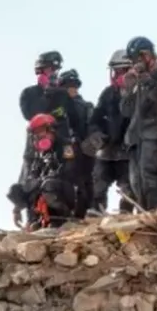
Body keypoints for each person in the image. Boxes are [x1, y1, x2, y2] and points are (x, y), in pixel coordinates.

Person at [121, 37, 157, 211]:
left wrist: (146, 80)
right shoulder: (137, 81)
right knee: (136, 181)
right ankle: (143, 214)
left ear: (147, 55)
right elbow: (126, 110)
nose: (136, 64)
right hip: (134, 138)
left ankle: (156, 213)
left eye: (138, 59)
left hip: (154, 134)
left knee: (151, 178)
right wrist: (129, 88)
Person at [18, 51, 81, 182]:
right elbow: (29, 114)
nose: (53, 73)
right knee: (27, 177)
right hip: (38, 142)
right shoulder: (29, 93)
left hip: (63, 142)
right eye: (49, 69)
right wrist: (47, 94)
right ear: (40, 70)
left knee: (72, 169)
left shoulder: (63, 95)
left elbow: (76, 119)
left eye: (55, 70)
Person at [8, 114, 77, 229]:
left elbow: (70, 171)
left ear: (51, 130)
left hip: (64, 190)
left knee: (48, 184)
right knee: (18, 189)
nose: (38, 136)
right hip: (44, 187)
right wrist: (17, 208)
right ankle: (34, 221)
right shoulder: (38, 155)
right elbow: (29, 178)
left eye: (40, 131)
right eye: (35, 133)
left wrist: (53, 171)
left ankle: (62, 219)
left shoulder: (66, 146)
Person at [86, 50, 134, 213]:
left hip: (129, 153)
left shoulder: (141, 94)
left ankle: (125, 215)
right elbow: (95, 119)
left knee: (129, 188)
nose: (119, 75)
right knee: (97, 185)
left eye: (123, 71)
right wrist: (96, 134)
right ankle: (96, 213)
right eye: (116, 71)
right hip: (106, 151)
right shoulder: (107, 94)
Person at [58, 69, 96, 218]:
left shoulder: (85, 106)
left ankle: (85, 210)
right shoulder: (61, 107)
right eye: (69, 85)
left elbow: (92, 127)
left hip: (80, 147)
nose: (71, 88)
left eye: (74, 85)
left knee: (83, 179)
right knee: (74, 178)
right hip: (70, 147)